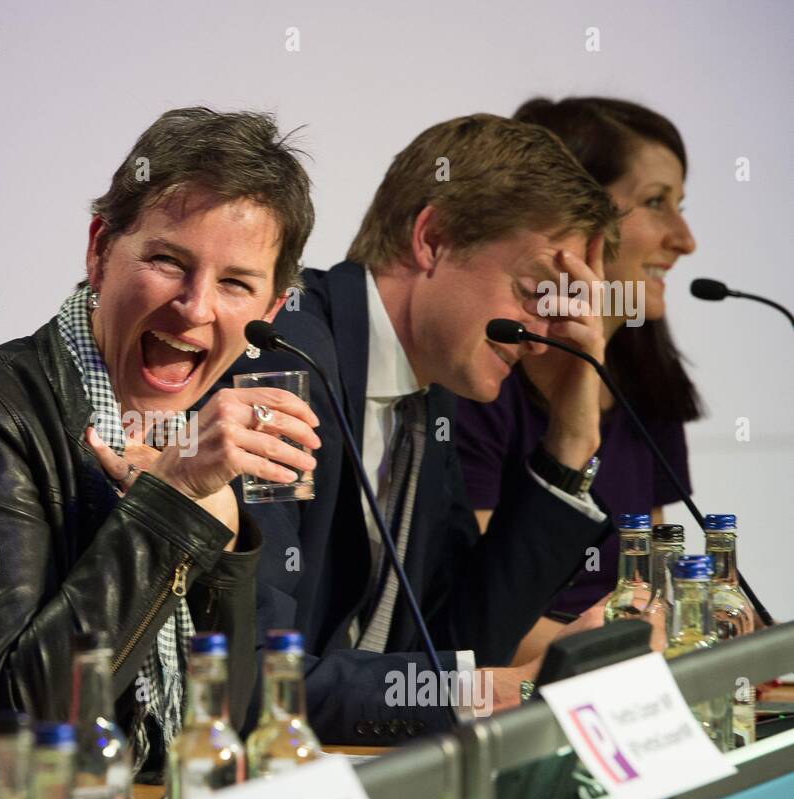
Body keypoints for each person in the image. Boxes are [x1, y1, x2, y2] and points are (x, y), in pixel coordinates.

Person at [0, 107, 319, 777]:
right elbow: (13, 724)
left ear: (271, 310)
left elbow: (225, 729)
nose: (196, 306)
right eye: (169, 261)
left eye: (235, 283)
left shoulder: (212, 434)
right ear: (99, 250)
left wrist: (224, 541)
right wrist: (171, 506)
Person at [221, 114, 620, 743]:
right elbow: (258, 680)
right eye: (533, 291)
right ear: (431, 239)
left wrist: (570, 444)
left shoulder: (428, 389)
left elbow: (457, 639)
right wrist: (489, 690)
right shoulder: (285, 364)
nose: (543, 336)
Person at [456, 97, 700, 662]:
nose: (685, 240)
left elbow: (652, 588)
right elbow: (477, 626)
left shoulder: (647, 381)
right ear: (578, 220)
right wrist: (641, 653)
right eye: (656, 203)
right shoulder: (477, 382)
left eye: (680, 206)